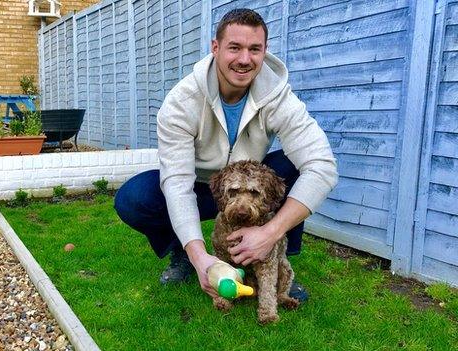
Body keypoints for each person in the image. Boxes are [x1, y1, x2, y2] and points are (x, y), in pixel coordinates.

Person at [114, 8, 338, 301]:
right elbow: (178, 183)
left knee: (292, 167)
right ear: (215, 48)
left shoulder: (278, 95)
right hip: (201, 185)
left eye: (254, 49)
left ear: (265, 51)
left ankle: (279, 261)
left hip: (249, 186)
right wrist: (200, 256)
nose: (244, 59)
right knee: (134, 198)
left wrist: (269, 232)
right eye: (235, 47)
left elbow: (322, 166)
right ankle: (184, 254)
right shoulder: (181, 102)